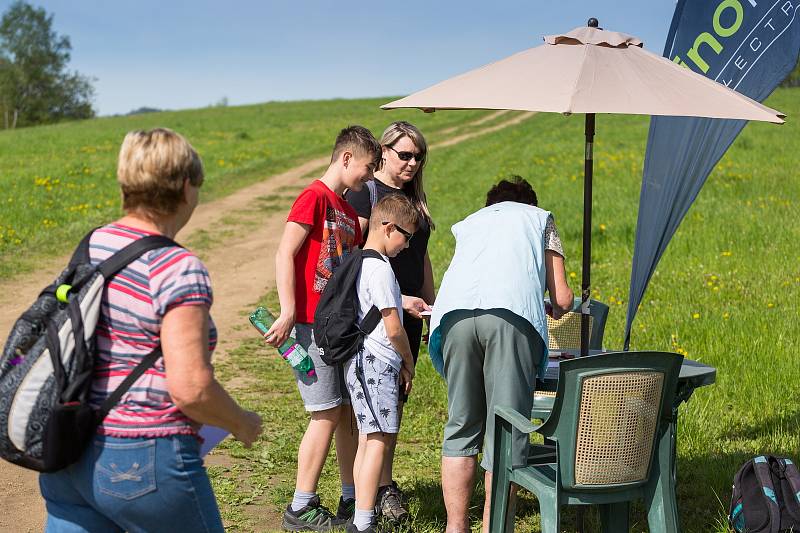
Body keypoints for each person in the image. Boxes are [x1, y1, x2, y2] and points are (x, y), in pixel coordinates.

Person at [38, 128, 264, 532]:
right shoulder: (176, 267)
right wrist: (240, 422)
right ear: (184, 186)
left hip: (68, 451)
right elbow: (191, 388)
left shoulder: (92, 245)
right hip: (141, 459)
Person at [428, 176, 574, 533]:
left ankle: (456, 527)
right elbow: (564, 299)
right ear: (530, 202)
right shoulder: (540, 219)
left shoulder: (472, 222)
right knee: (505, 432)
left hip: (453, 316)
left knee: (461, 426)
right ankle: (495, 527)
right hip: (510, 318)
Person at [265, 125, 381, 531]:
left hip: (339, 329)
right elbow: (285, 252)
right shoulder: (314, 198)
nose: (369, 178)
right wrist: (288, 311)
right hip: (309, 328)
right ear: (346, 157)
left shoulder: (349, 213)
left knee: (346, 412)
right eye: (367, 169)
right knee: (325, 412)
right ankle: (301, 505)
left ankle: (350, 497)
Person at [344, 121, 434, 523]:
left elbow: (423, 257)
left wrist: (432, 302)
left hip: (408, 313)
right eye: (405, 155)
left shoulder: (415, 199)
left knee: (393, 402)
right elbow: (355, 255)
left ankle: (380, 486)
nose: (413, 163)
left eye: (419, 157)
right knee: (372, 410)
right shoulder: (367, 195)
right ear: (383, 151)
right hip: (378, 319)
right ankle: (373, 491)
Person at [344, 195, 419, 533]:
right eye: (406, 236)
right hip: (376, 362)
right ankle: (363, 522)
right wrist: (408, 360)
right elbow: (393, 327)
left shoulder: (361, 261)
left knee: (367, 440)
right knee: (376, 442)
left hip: (359, 361)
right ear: (389, 228)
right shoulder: (381, 269)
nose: (407, 245)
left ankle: (362, 514)